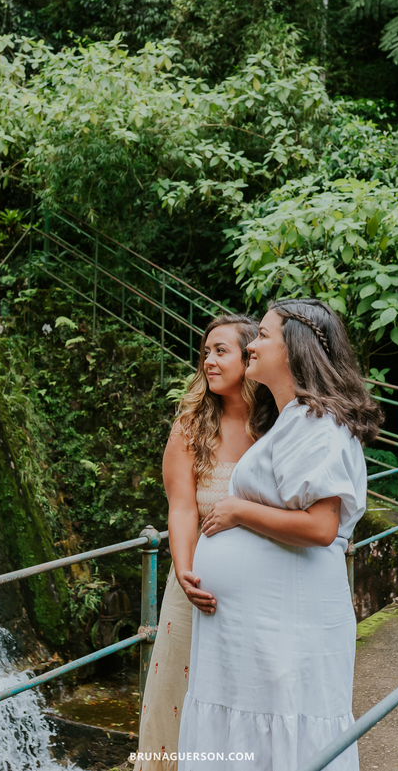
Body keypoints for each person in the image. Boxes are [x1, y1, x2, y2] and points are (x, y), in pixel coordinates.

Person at [179, 298, 383, 771]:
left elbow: (321, 526)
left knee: (285, 738)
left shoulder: (316, 423)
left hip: (284, 628)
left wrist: (238, 511)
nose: (254, 343)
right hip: (261, 631)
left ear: (294, 350)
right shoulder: (293, 420)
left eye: (264, 336)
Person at [134, 314, 277, 771]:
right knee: (175, 695)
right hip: (194, 592)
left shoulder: (277, 427)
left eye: (222, 351)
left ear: (249, 356)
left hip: (259, 597)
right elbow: (181, 507)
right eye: (207, 352)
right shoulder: (190, 426)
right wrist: (183, 570)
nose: (210, 361)